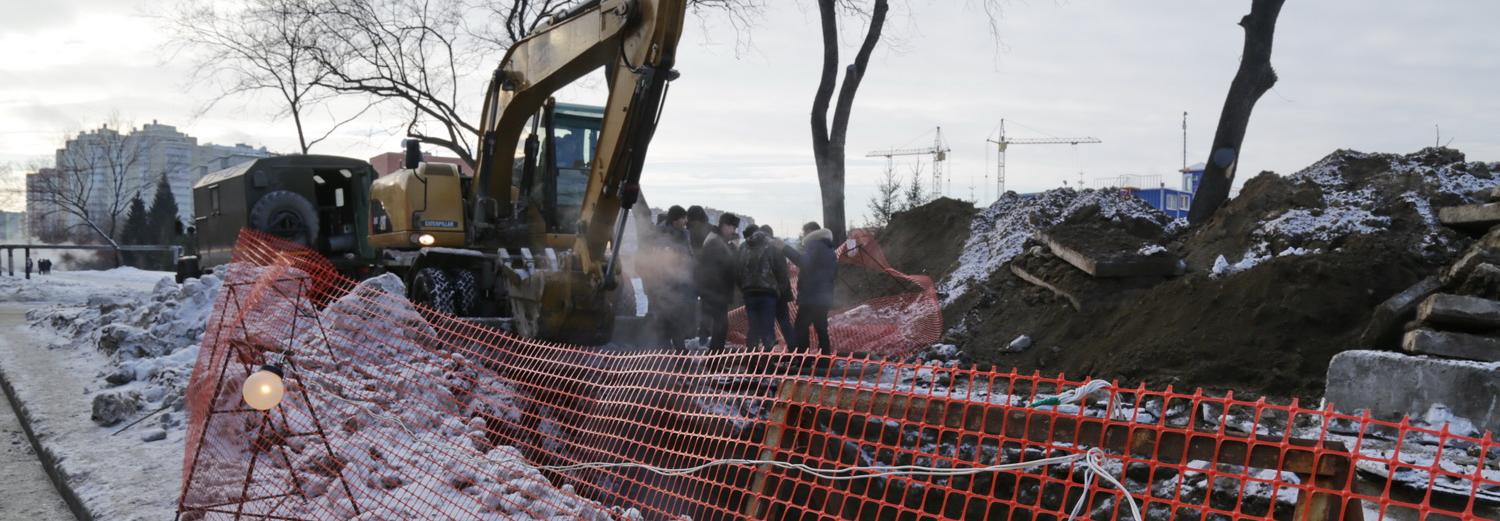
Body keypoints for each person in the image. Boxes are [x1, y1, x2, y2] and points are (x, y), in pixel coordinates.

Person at [789, 222, 836, 354]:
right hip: (823, 296)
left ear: (810, 232)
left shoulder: (815, 245)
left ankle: (804, 360)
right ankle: (824, 361)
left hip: (811, 297)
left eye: (804, 232)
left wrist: (785, 249)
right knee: (821, 329)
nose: (803, 235)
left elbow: (804, 263)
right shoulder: (828, 247)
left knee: (800, 327)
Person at [694, 212, 740, 350]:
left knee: (719, 325)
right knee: (720, 325)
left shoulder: (716, 239)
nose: (733, 231)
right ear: (725, 226)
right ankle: (715, 357)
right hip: (716, 290)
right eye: (732, 228)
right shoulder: (715, 241)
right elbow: (725, 264)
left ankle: (714, 355)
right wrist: (735, 249)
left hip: (716, 290)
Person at [654, 205, 693, 348]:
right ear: (676, 219)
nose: (686, 221)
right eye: (683, 217)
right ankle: (666, 358)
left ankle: (679, 356)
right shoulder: (661, 234)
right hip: (664, 286)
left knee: (677, 323)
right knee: (665, 324)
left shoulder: (684, 234)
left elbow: (688, 256)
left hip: (680, 285)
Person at [759, 225, 796, 345]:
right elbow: (783, 272)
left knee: (768, 324)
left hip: (769, 293)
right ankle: (793, 350)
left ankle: (770, 354)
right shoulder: (776, 247)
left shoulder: (763, 248)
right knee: (784, 323)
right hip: (779, 292)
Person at [685, 206, 711, 344]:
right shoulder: (710, 229)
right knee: (707, 307)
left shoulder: (686, 231)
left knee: (690, 306)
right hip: (707, 275)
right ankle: (703, 336)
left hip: (691, 275)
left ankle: (690, 336)